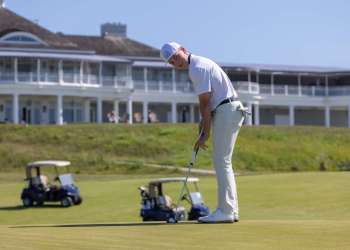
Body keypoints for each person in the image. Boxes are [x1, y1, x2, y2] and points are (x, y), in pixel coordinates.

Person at [160, 42, 248, 223]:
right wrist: (204, 122)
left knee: (221, 161)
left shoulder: (197, 68)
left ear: (183, 50)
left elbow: (205, 104)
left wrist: (205, 134)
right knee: (224, 162)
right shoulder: (199, 64)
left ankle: (226, 211)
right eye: (171, 62)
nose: (175, 63)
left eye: (176, 57)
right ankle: (231, 210)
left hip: (227, 110)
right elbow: (210, 103)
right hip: (227, 109)